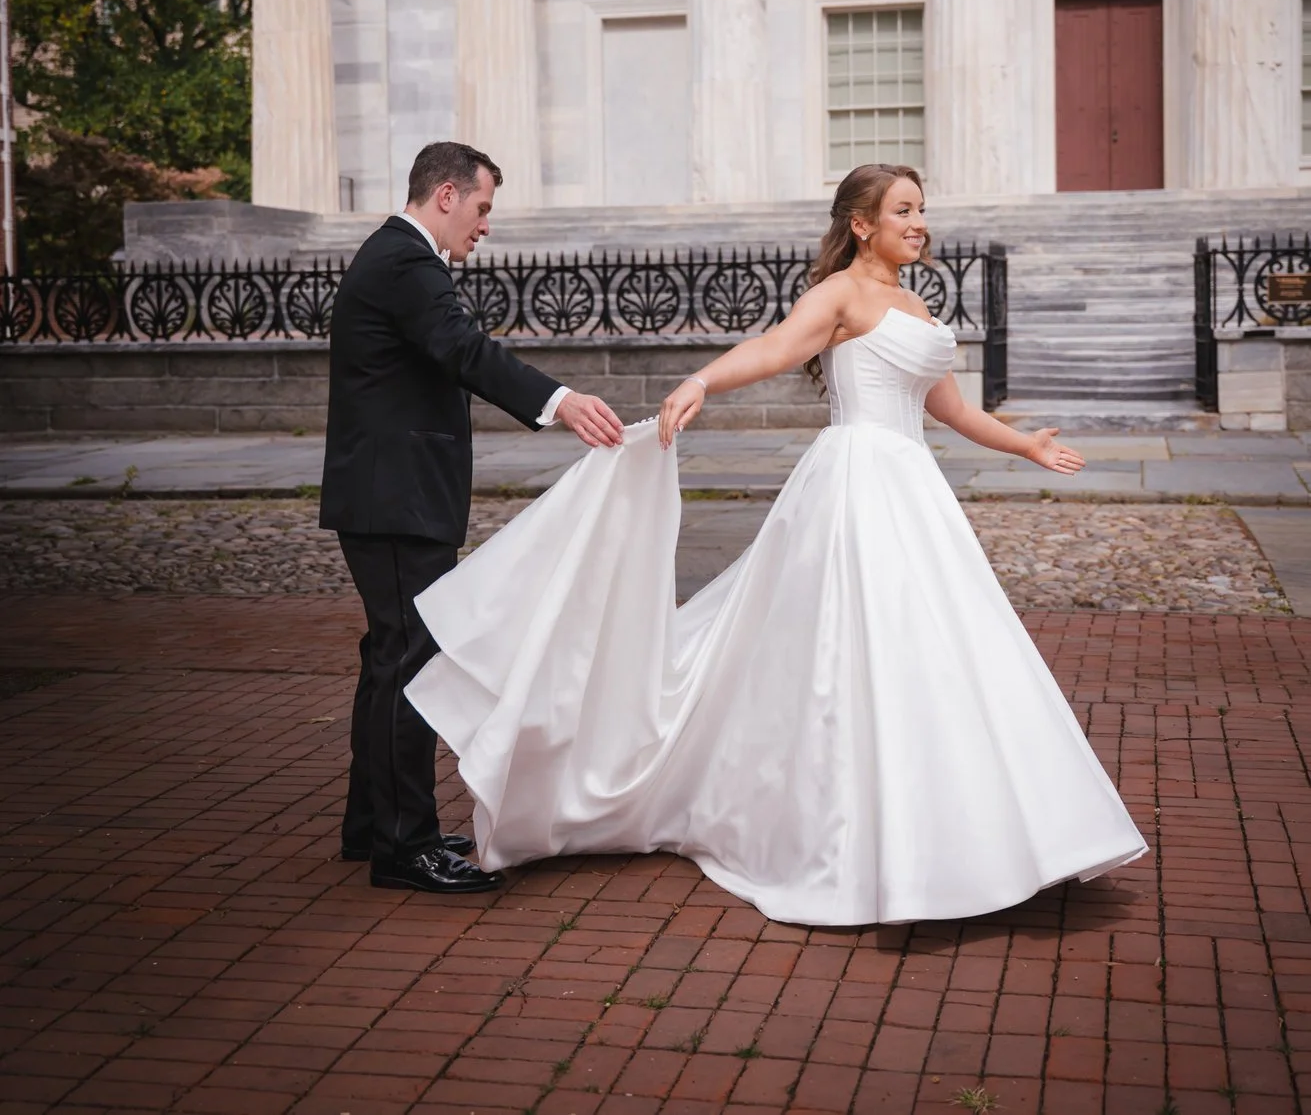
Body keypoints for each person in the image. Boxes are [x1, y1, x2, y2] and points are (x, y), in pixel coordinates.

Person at [405, 162, 1148, 926]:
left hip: (913, 487)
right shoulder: (839, 295)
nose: (917, 221)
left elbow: (951, 409)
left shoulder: (915, 304)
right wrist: (700, 382)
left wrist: (1022, 444)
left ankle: (971, 836)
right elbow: (774, 347)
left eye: (920, 208)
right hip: (857, 483)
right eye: (902, 209)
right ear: (862, 224)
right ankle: (866, 841)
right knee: (857, 652)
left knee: (942, 647)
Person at [320, 140, 624, 896]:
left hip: (392, 493)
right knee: (411, 662)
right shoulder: (405, 261)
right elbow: (462, 349)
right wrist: (561, 401)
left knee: (388, 658)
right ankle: (404, 846)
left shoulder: (396, 259)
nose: (484, 226)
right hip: (394, 497)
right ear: (447, 194)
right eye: (482, 208)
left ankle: (373, 825)